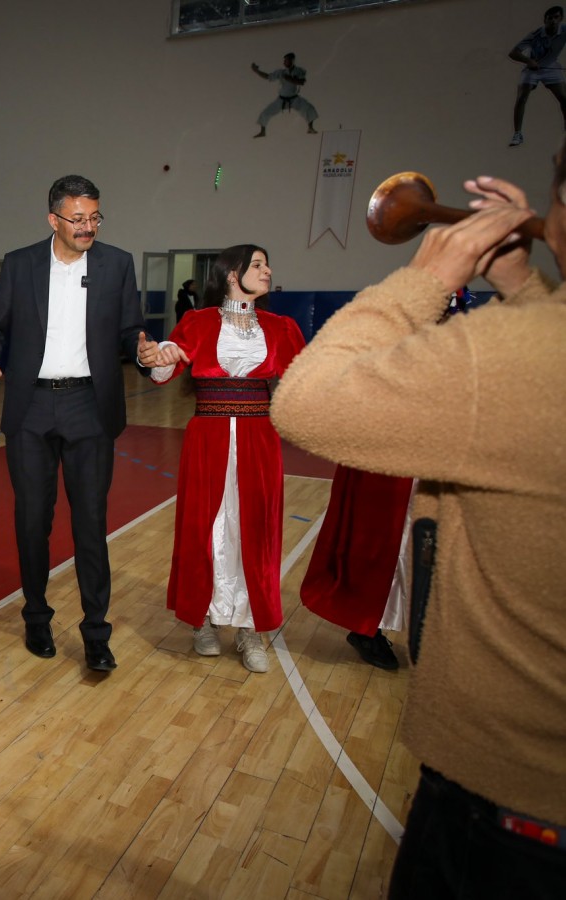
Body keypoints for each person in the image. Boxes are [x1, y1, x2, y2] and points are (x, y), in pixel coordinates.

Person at [270, 162, 565, 897]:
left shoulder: (512, 356)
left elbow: (307, 402)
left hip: (511, 803)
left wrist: (424, 278)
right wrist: (526, 290)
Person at [0, 175, 151, 672]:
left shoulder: (117, 264)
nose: (88, 227)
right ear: (53, 219)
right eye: (78, 219)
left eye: (95, 217)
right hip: (30, 407)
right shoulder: (20, 263)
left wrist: (143, 348)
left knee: (91, 523)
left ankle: (96, 632)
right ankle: (36, 615)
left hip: (90, 406)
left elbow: (130, 328)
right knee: (33, 521)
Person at [140, 245, 305, 674]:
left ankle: (251, 628)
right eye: (257, 265)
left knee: (255, 528)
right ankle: (206, 619)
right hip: (208, 437)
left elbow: (306, 382)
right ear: (232, 273)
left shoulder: (281, 327)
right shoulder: (195, 323)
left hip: (258, 438)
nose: (267, 270)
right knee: (204, 526)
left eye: (267, 263)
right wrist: (156, 358)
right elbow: (162, 373)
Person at [300, 464, 414, 671]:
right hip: (386, 457)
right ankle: (365, 628)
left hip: (435, 454)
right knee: (379, 536)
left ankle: (425, 632)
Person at [508, 6, 566, 147]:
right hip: (532, 68)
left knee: (564, 98)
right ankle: (517, 134)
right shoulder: (535, 35)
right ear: (545, 20)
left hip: (551, 67)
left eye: (556, 17)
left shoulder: (564, 30)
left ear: (561, 19)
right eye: (550, 18)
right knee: (521, 98)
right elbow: (513, 53)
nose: (553, 21)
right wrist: (529, 61)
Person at [251, 53, 319, 137]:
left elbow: (301, 82)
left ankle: (310, 128)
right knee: (266, 112)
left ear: (292, 60)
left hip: (294, 99)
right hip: (281, 99)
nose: (284, 62)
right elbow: (268, 76)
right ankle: (262, 132)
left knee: (309, 108)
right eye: (284, 60)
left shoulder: (299, 71)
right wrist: (257, 71)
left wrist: (289, 79)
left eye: (286, 60)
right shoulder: (281, 72)